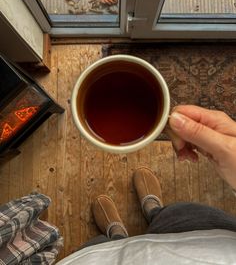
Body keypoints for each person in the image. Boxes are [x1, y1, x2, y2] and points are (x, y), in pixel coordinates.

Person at [57, 105, 236, 264]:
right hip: (213, 243)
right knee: (177, 216)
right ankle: (154, 211)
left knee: (101, 248)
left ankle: (116, 235)